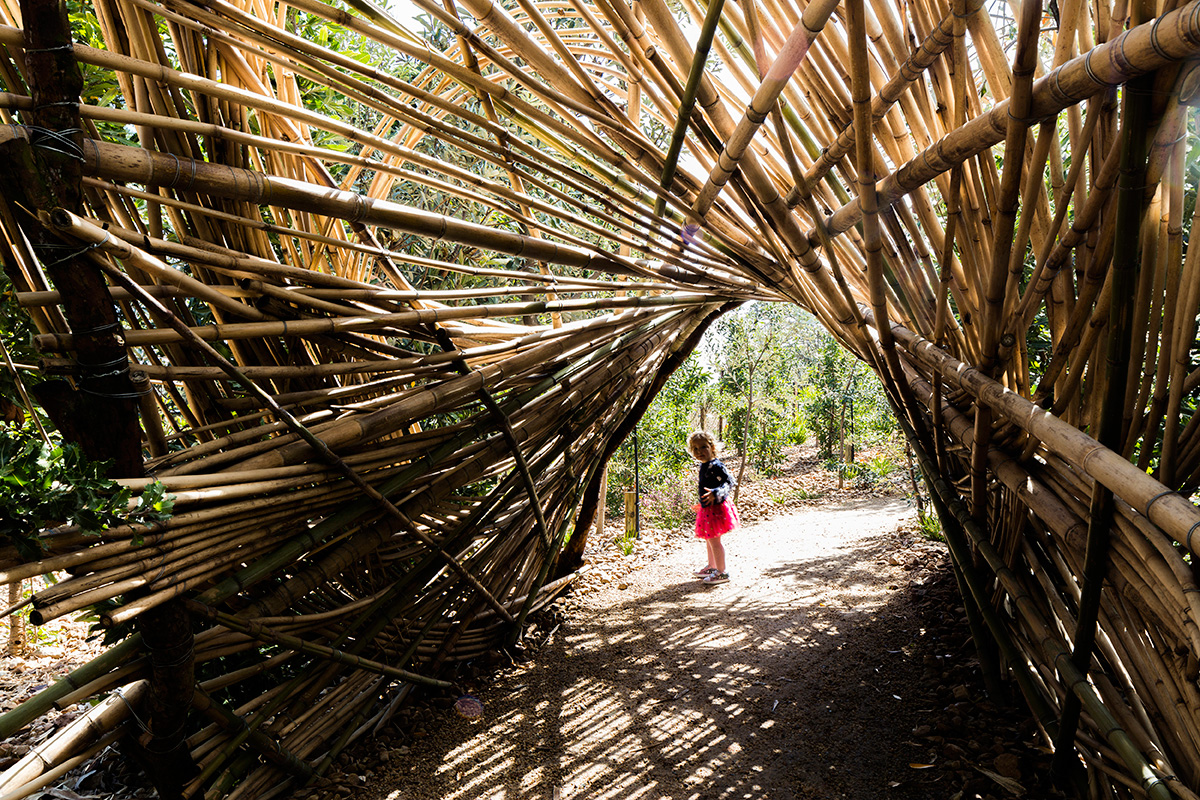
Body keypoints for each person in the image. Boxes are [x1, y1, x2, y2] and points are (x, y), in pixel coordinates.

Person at [688, 431, 739, 585]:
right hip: (708, 508)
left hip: (716, 508)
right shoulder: (705, 465)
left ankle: (722, 572)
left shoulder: (716, 465)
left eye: (703, 447)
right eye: (695, 449)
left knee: (715, 541)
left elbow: (728, 482)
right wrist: (702, 504)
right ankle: (712, 567)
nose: (699, 452)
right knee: (709, 539)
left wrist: (717, 493)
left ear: (712, 446)